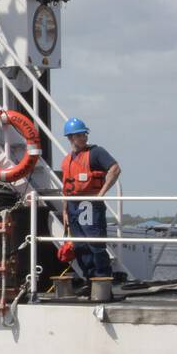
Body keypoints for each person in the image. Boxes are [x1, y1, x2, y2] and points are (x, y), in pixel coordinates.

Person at [59, 117, 121, 283]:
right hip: (73, 206)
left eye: (84, 134)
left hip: (90, 205)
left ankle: (103, 280)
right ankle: (89, 278)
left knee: (95, 243)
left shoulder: (96, 152)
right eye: (79, 135)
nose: (84, 137)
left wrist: (101, 193)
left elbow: (115, 169)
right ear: (70, 138)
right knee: (80, 245)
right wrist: (65, 210)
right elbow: (66, 188)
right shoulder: (67, 160)